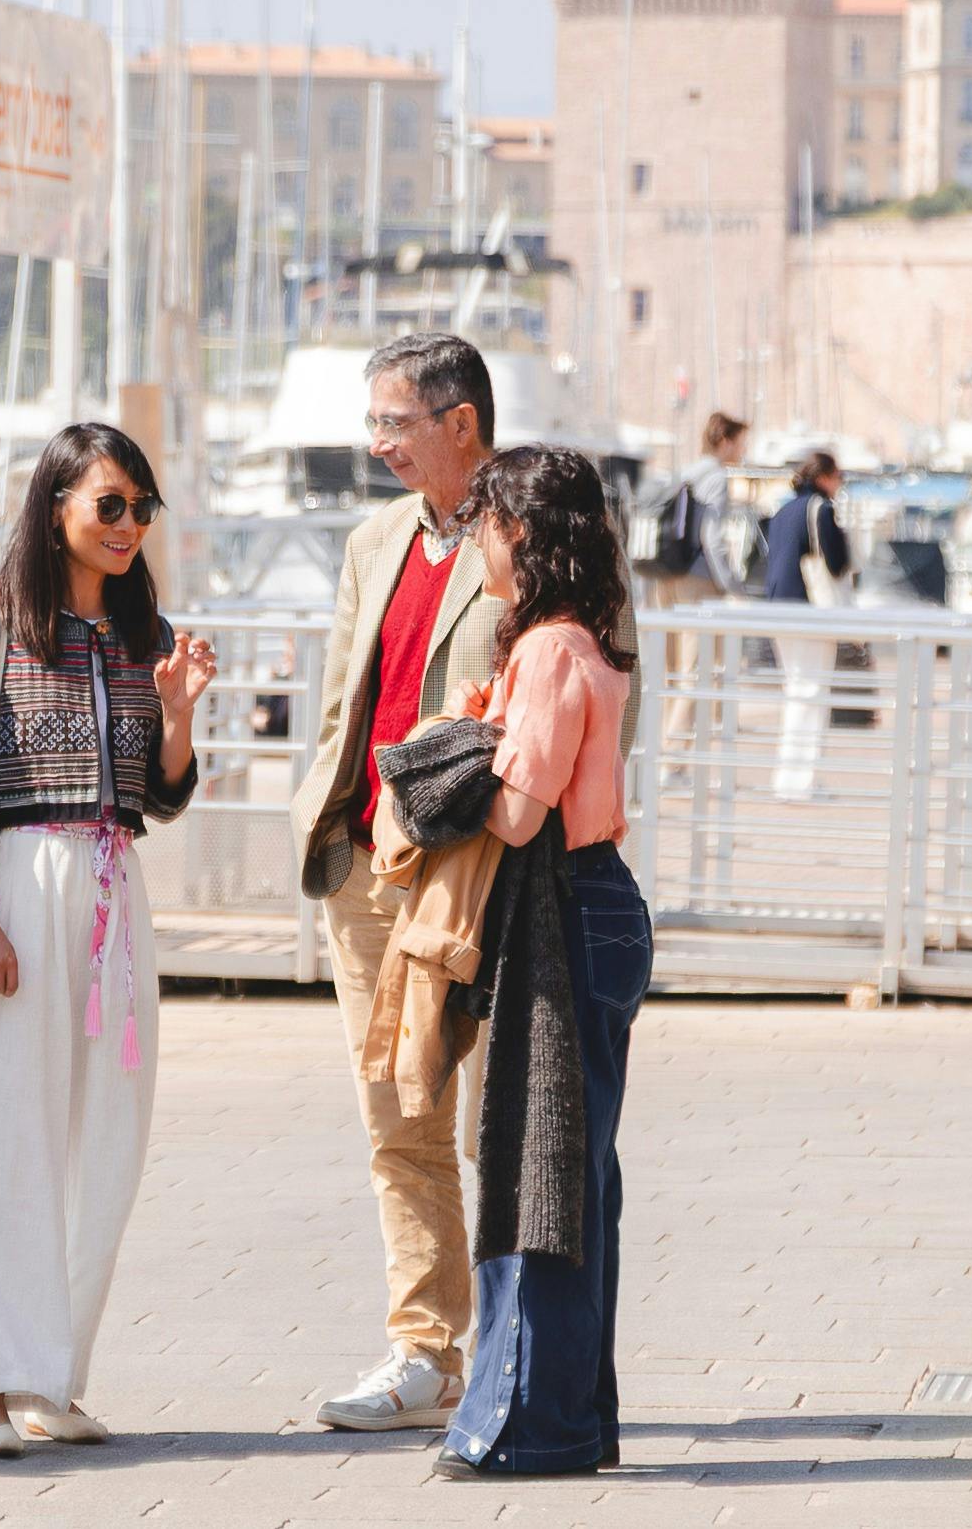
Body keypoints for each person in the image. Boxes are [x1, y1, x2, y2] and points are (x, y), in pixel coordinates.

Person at [0, 422, 215, 1458]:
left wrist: (176, 717)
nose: (130, 524)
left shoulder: (142, 632)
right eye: (110, 505)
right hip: (15, 883)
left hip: (111, 889)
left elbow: (160, 798)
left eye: (142, 507)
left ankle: (50, 1373)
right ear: (56, 511)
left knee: (105, 1145)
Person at [421, 445, 649, 1480]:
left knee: (541, 1169)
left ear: (526, 535)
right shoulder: (581, 639)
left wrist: (467, 741)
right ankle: (566, 1414)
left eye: (489, 523)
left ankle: (529, 1424)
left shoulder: (551, 650)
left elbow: (516, 816)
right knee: (576, 1174)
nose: (477, 543)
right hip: (595, 907)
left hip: (566, 907)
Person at [293, 332, 499, 1432]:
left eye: (394, 423)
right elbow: (342, 700)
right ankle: (425, 1353)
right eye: (371, 423)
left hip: (480, 874)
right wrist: (321, 828)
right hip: (367, 867)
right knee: (399, 1120)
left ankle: (516, 1347)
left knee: (501, 1121)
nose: (376, 446)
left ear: (460, 423)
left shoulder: (534, 531)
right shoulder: (375, 537)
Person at [639, 412, 747, 789]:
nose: (743, 449)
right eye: (741, 442)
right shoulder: (716, 477)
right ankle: (672, 763)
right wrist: (732, 584)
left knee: (670, 673)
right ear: (727, 440)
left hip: (664, 577)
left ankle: (663, 757)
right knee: (694, 673)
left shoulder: (686, 471)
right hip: (697, 583)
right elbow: (712, 537)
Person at [762, 451, 851, 804]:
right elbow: (838, 563)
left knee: (796, 689)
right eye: (839, 475)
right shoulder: (822, 509)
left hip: (779, 606)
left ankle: (788, 776)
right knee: (811, 692)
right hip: (810, 608)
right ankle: (800, 780)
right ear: (825, 476)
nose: (840, 483)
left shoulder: (784, 509)